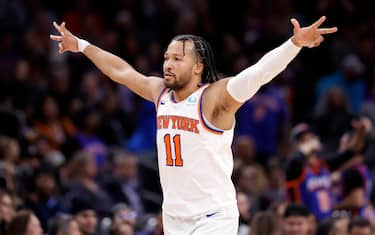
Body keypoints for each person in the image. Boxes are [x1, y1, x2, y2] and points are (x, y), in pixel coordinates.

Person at [50, 16, 337, 234]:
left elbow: (257, 75)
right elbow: (121, 71)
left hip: (213, 216)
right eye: (166, 58)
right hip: (174, 215)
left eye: (177, 58)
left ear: (198, 66)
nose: (168, 64)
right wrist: (82, 45)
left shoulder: (214, 98)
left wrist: (294, 44)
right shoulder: (159, 91)